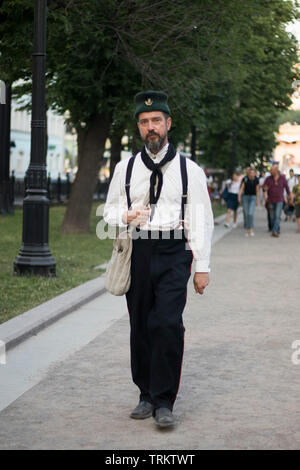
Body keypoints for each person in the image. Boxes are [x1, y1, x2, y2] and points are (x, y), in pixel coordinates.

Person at [103, 90, 214, 428]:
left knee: (166, 323)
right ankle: (145, 394)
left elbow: (202, 219)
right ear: (138, 127)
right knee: (140, 326)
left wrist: (202, 267)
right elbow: (107, 212)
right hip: (138, 250)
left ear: (168, 124)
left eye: (156, 121)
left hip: (173, 252)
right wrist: (127, 215)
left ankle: (164, 401)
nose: (150, 127)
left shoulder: (188, 169)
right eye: (144, 122)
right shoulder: (126, 168)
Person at [263, 162, 291, 237]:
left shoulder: (282, 178)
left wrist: (290, 197)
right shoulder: (268, 179)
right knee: (272, 217)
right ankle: (275, 228)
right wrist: (265, 190)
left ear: (276, 170)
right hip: (270, 200)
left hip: (279, 200)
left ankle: (275, 231)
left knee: (277, 215)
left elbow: (287, 188)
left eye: (272, 170)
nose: (270, 171)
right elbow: (264, 188)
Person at [238, 168, 259, 237]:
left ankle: (251, 229)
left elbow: (257, 190)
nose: (252, 174)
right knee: (246, 214)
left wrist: (257, 200)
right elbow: (242, 188)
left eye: (253, 173)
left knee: (250, 213)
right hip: (246, 197)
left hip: (253, 197)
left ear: (255, 173)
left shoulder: (256, 180)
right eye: (251, 173)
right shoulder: (245, 179)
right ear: (249, 173)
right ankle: (248, 229)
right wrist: (239, 196)